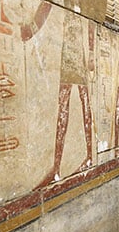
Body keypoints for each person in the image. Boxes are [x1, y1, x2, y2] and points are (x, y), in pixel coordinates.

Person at [36, 12, 95, 189]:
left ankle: (89, 156)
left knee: (85, 106)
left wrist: (91, 54)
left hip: (78, 56)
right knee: (63, 109)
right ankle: (57, 166)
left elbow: (90, 25)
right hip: (66, 55)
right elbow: (44, 12)